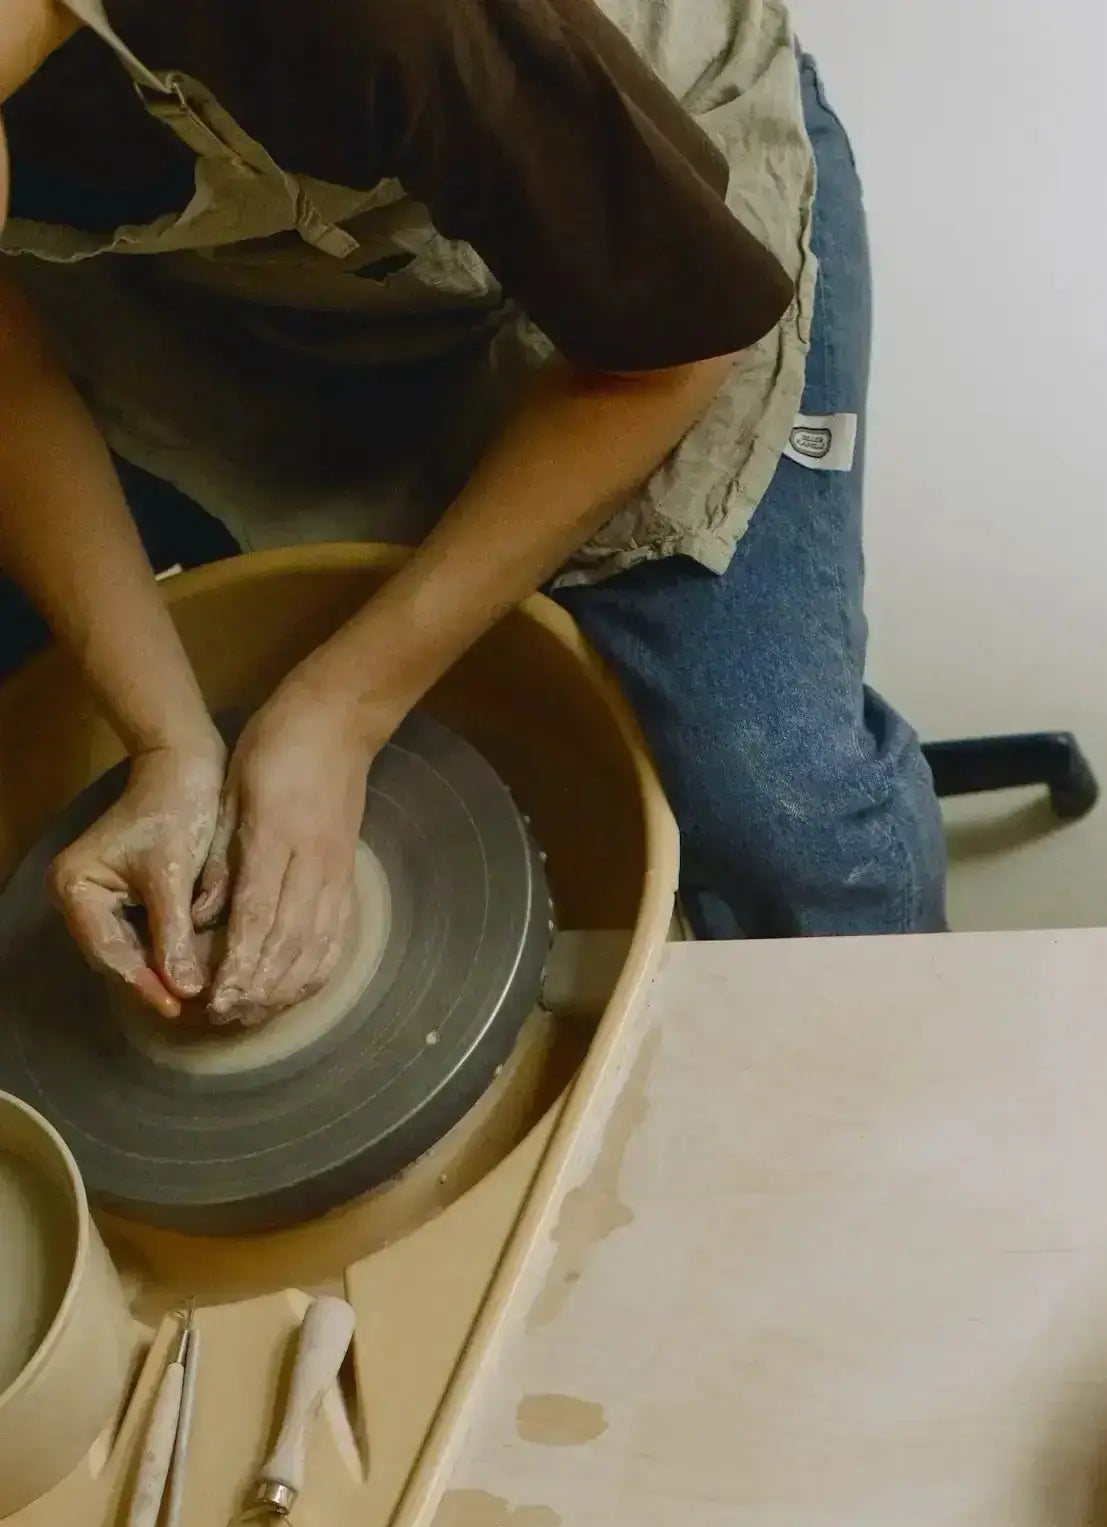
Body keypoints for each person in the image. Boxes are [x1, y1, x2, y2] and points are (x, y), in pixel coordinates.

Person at [0, 0, 945, 1027]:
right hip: (193, 276)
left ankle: (908, 1143)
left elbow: (668, 350)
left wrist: (341, 709)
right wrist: (163, 741)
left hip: (625, 190)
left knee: (775, 801)